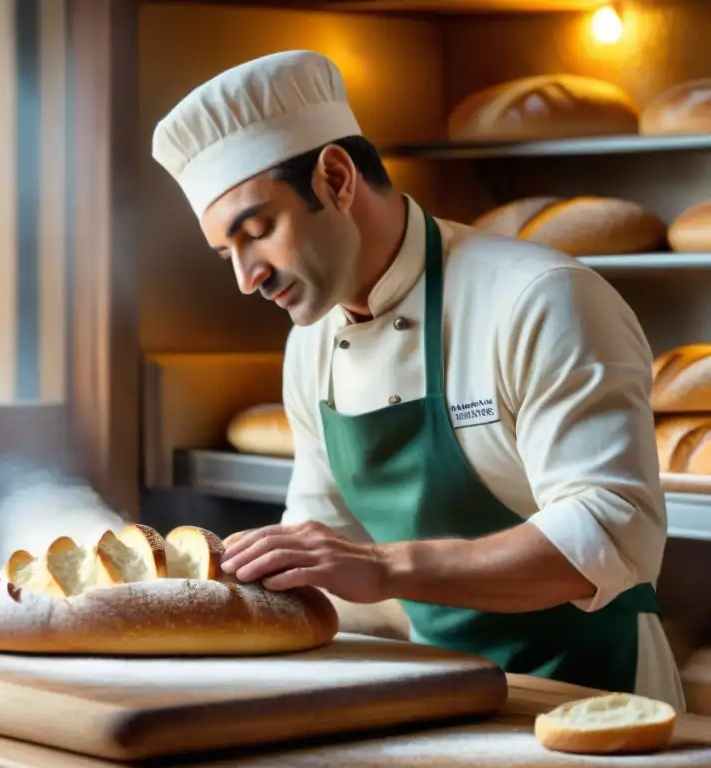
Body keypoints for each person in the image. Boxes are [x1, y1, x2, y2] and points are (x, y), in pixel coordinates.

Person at [151, 50, 683, 708]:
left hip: (592, 696)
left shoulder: (539, 300)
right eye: (227, 252)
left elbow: (609, 533)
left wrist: (383, 568)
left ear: (337, 178)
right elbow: (320, 544)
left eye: (257, 232)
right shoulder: (311, 348)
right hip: (435, 696)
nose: (245, 276)